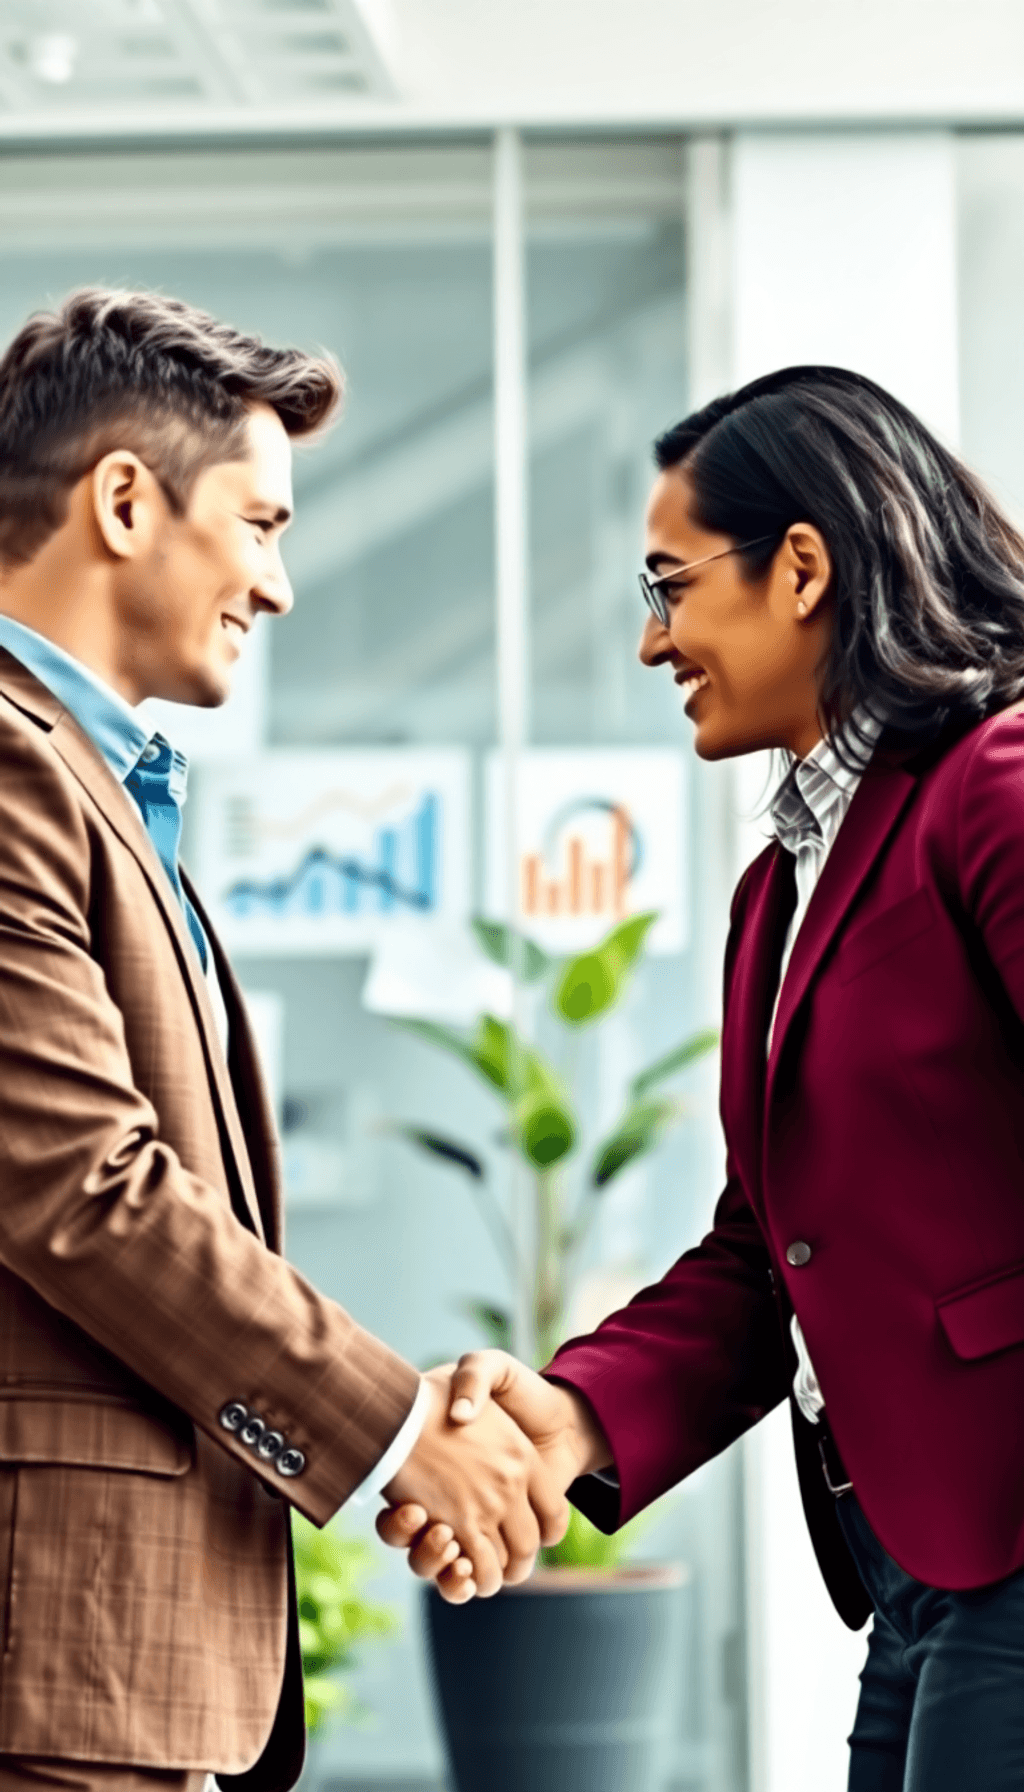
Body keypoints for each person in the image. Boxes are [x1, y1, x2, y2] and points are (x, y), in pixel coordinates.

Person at [383, 365, 1024, 1790]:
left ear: (803, 567)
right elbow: (769, 1251)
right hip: (919, 1576)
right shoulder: (778, 890)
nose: (650, 640)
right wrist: (573, 1416)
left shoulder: (995, 785)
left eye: (671, 586)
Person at [0, 288, 569, 1792]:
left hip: (115, 1658)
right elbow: (78, 1189)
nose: (281, 585)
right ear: (125, 501)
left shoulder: (93, 784)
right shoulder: (8, 770)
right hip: (49, 1657)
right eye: (261, 525)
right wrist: (398, 1433)